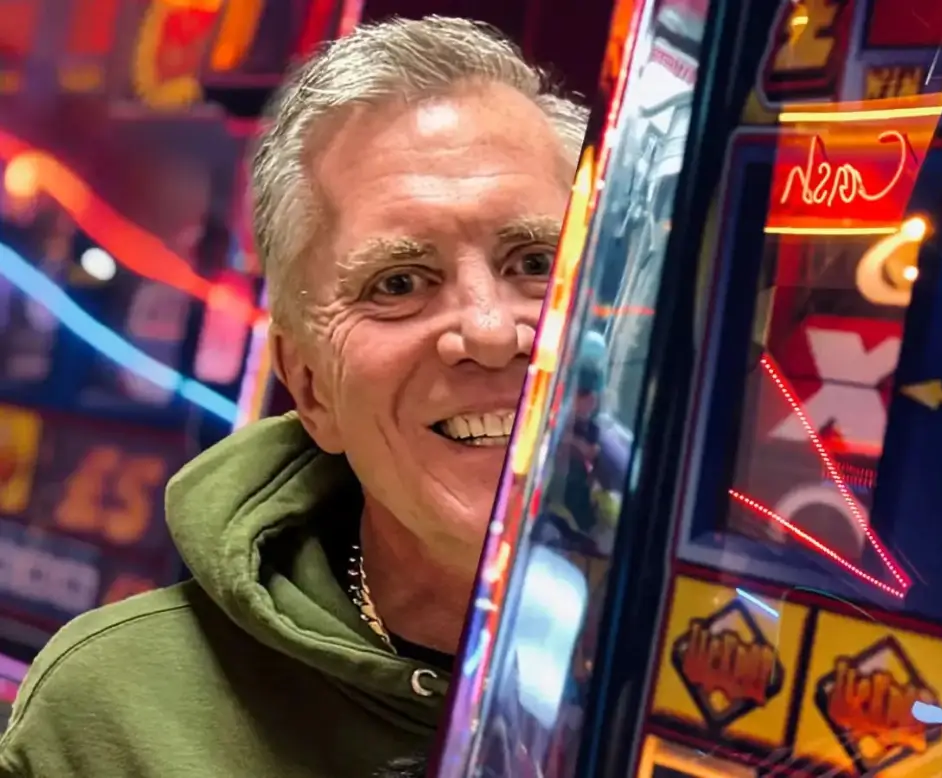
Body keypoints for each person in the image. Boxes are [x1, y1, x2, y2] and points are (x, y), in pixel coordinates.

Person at [0, 16, 587, 777]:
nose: (487, 331)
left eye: (536, 262)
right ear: (310, 388)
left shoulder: (743, 668)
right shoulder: (114, 713)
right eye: (399, 283)